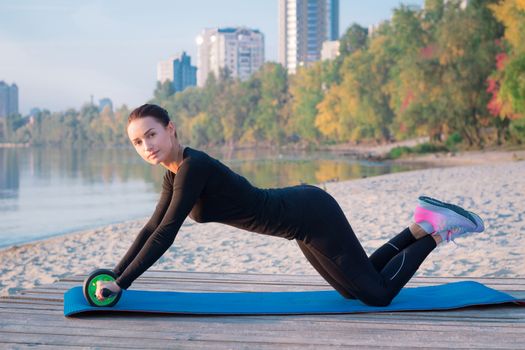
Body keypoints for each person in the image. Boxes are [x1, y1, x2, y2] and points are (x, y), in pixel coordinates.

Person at [95, 104, 485, 306]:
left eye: (151, 134)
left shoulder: (194, 167)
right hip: (300, 223)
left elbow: (167, 232)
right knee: (354, 292)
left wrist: (123, 284)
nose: (147, 146)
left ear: (171, 130)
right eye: (138, 142)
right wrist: (112, 275)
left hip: (311, 213)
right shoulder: (175, 173)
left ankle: (436, 231)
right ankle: (419, 226)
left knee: (379, 296)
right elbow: (150, 227)